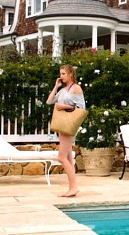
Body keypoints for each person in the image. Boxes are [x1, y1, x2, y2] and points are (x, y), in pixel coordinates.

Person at [46, 64, 85, 197]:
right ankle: (72, 187)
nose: (61, 76)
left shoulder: (76, 88)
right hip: (62, 125)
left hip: (70, 125)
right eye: (60, 73)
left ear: (70, 74)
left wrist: (63, 106)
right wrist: (56, 86)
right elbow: (49, 101)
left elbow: (81, 108)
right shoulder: (62, 90)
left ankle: (74, 187)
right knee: (68, 157)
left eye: (63, 74)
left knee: (61, 157)